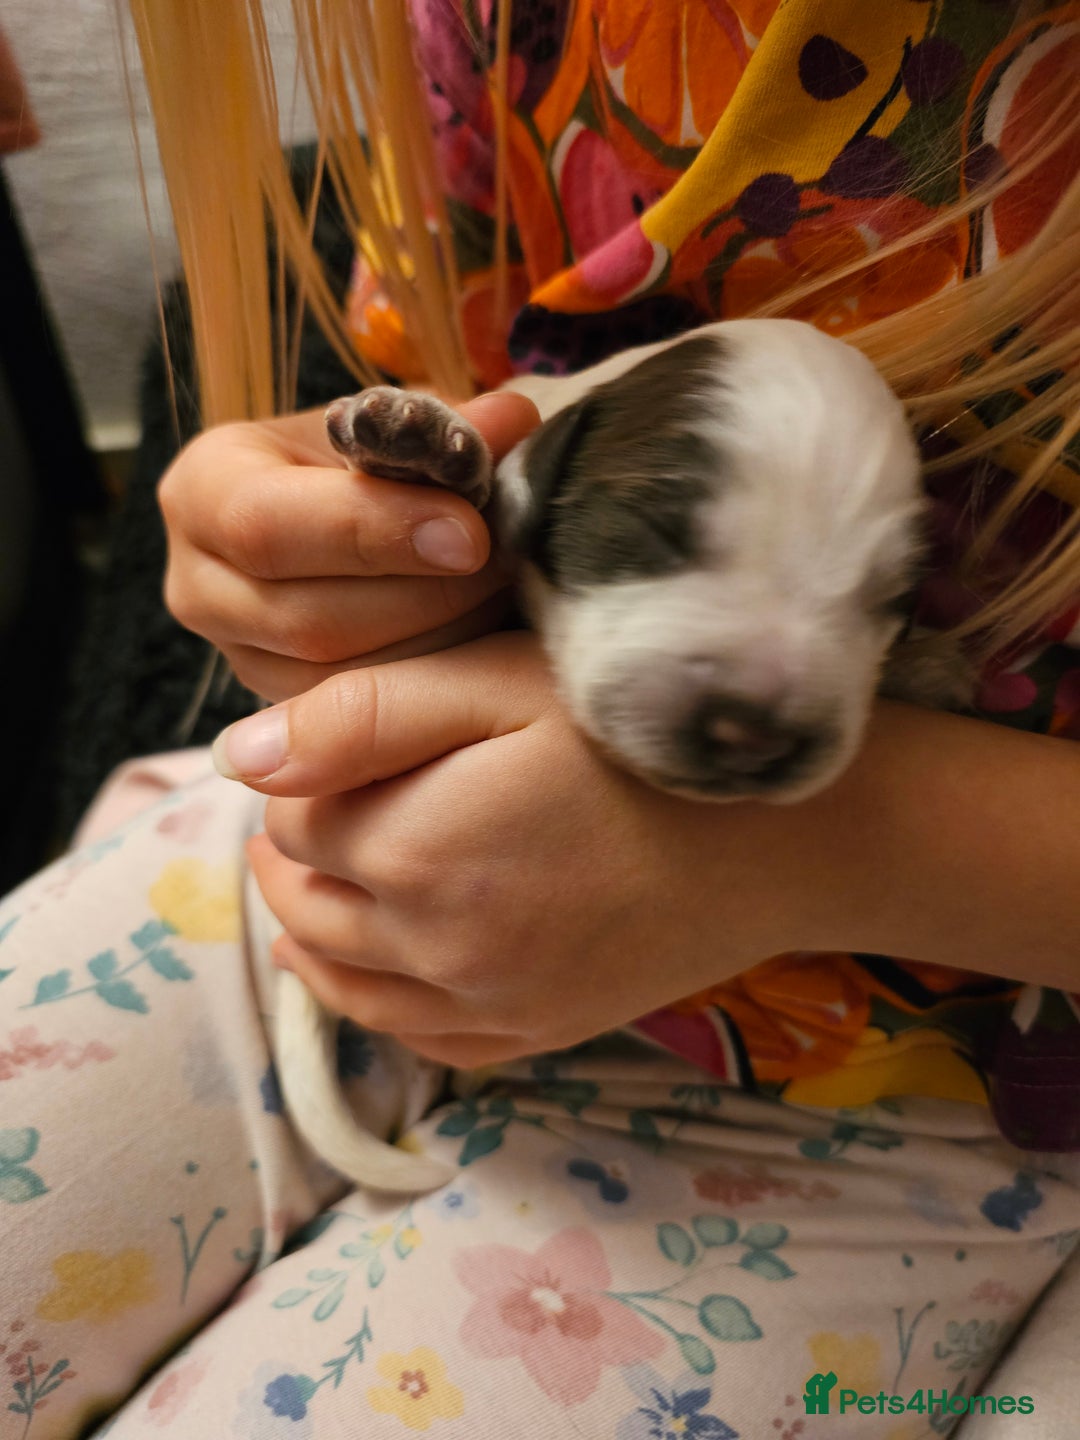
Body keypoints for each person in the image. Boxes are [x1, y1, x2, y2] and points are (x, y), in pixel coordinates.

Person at [2, 2, 1079, 1436]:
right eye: (660, 545)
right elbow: (468, 410)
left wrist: (827, 844)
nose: (763, 704)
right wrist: (331, 555)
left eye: (872, 597)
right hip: (375, 860)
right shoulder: (493, 22)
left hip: (936, 1071)